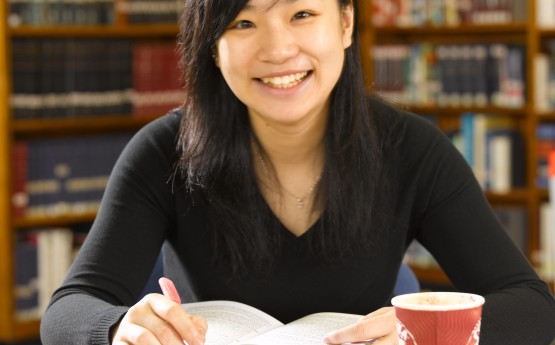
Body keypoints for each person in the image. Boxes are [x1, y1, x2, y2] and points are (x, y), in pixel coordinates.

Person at [40, 0, 555, 344]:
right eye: (242, 22)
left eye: (302, 14)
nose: (278, 49)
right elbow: (67, 312)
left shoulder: (412, 150)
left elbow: (533, 307)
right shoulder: (163, 152)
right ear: (210, 46)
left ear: (346, 24)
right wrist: (117, 328)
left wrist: (423, 329)